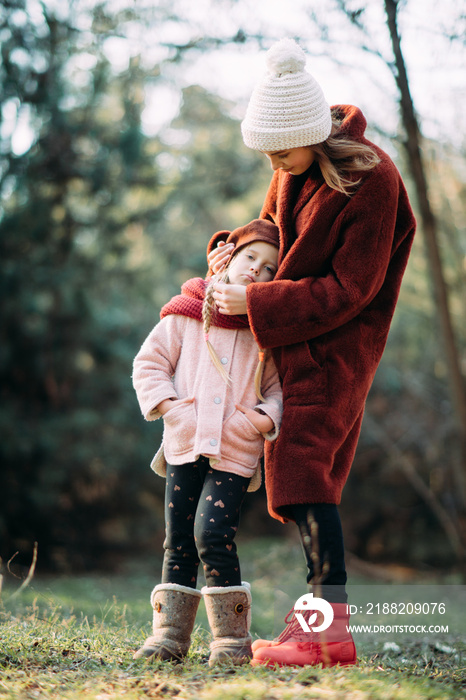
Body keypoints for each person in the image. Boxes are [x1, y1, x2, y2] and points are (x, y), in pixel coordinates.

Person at [207, 38, 416, 667]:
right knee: (296, 478)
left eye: (281, 150)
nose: (274, 162)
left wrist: (261, 306)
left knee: (306, 477)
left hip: (338, 347)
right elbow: (270, 230)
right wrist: (234, 253)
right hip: (291, 342)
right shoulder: (290, 167)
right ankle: (320, 626)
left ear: (312, 133)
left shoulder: (372, 180)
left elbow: (354, 289)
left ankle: (329, 634)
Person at [132, 219, 283, 665]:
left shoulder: (265, 335)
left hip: (235, 453)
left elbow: (278, 393)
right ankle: (169, 638)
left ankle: (231, 642)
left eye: (270, 268)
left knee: (212, 536)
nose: (257, 269)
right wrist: (174, 410)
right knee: (178, 538)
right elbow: (149, 364)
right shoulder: (186, 313)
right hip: (186, 443)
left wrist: (255, 422)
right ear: (229, 257)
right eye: (250, 257)